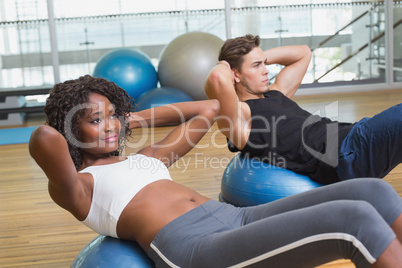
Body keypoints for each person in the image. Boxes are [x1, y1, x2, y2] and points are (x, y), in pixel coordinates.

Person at [29, 75, 402, 267]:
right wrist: (72, 122)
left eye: (113, 115)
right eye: (96, 120)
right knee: (354, 219)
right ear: (72, 127)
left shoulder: (147, 159)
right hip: (194, 249)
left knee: (373, 191)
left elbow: (206, 112)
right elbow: (43, 137)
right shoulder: (79, 187)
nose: (110, 125)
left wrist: (132, 118)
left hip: (234, 218)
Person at [205, 34, 402, 185]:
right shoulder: (241, 118)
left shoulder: (275, 93)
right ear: (235, 75)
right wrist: (225, 64)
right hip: (345, 154)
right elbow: (217, 79)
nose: (266, 70)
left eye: (264, 64)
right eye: (256, 66)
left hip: (352, 135)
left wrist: (257, 56)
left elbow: (303, 52)